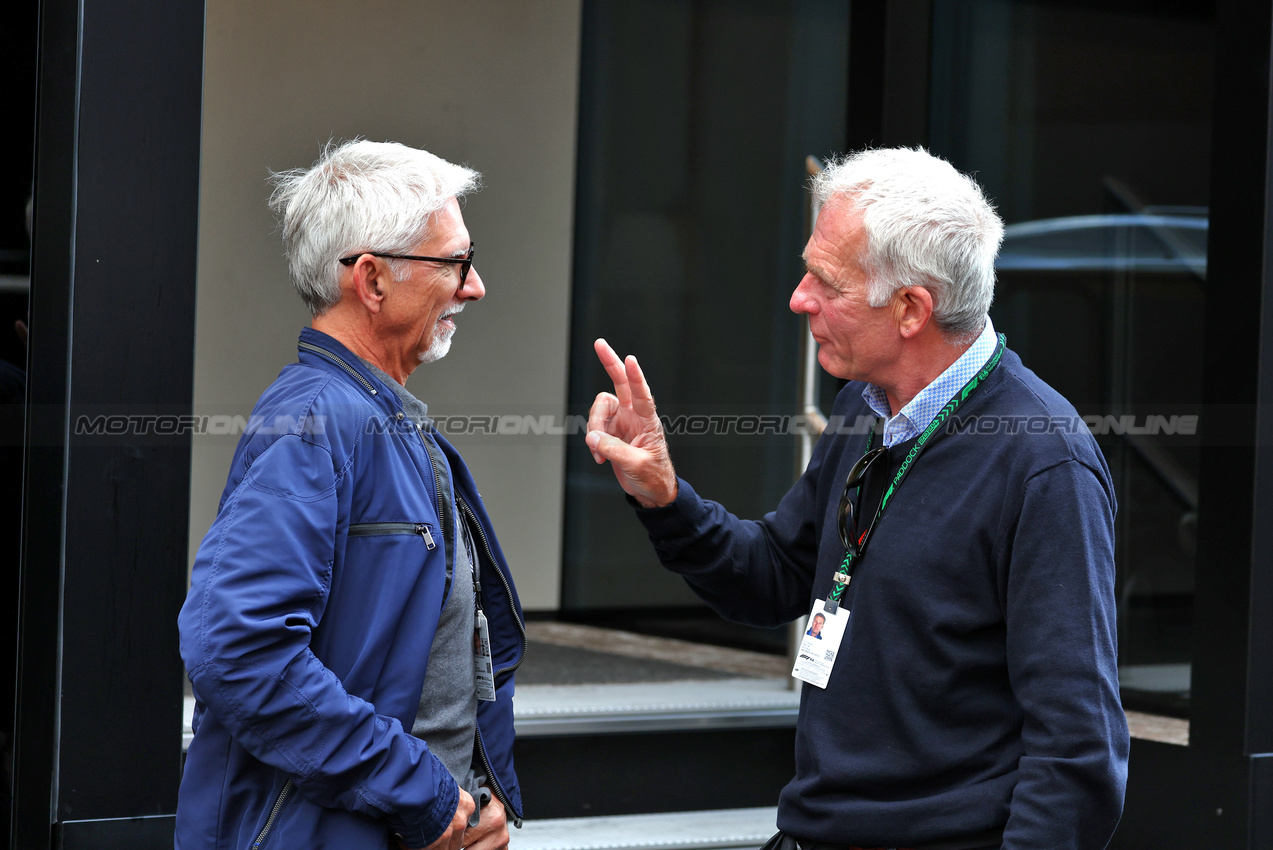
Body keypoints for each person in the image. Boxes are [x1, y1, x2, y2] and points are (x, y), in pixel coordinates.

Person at [585, 147, 1128, 849]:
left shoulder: (1042, 463)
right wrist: (663, 497)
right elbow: (773, 579)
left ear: (909, 308)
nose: (798, 298)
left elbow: (1076, 747)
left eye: (825, 281)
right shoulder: (862, 409)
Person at [177, 140, 525, 850]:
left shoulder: (373, 417)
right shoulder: (316, 424)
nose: (474, 285)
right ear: (370, 281)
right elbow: (237, 649)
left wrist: (476, 799)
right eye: (455, 261)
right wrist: (424, 797)